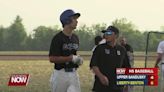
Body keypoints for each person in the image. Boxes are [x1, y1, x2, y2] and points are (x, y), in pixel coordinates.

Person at [49, 9, 83, 92]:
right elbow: (52, 58)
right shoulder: (57, 38)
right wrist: (70, 58)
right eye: (74, 18)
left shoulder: (75, 38)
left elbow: (73, 54)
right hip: (61, 74)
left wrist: (77, 60)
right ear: (67, 20)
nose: (77, 21)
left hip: (74, 74)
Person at [90, 25, 131, 92]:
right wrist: (101, 77)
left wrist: (126, 84)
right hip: (101, 86)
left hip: (117, 87)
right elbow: (94, 65)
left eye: (109, 33)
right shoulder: (99, 48)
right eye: (105, 33)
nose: (106, 35)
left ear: (116, 36)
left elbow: (127, 67)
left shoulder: (122, 50)